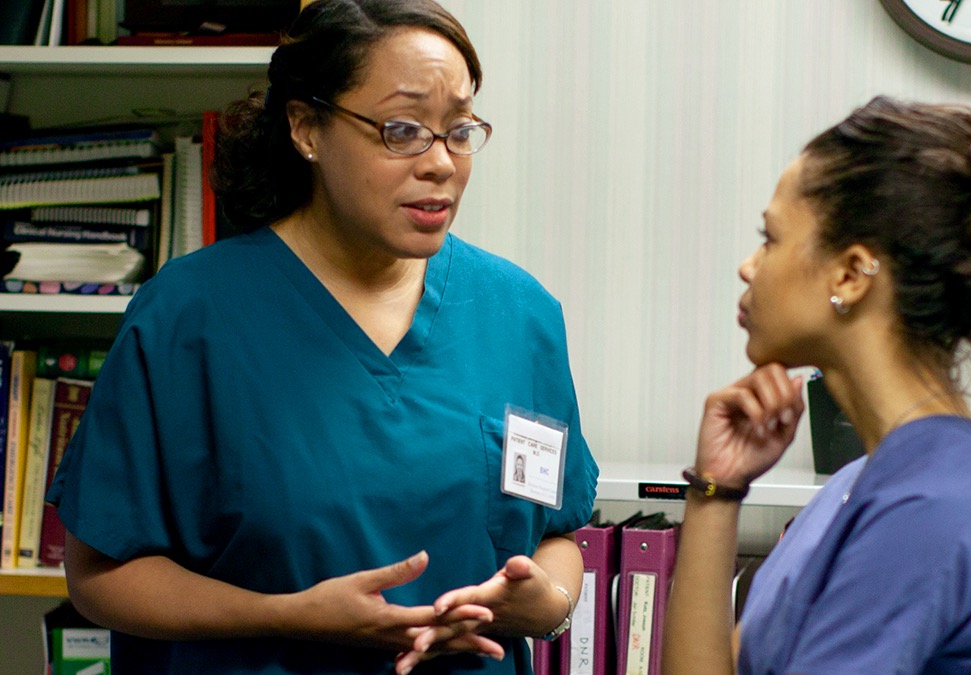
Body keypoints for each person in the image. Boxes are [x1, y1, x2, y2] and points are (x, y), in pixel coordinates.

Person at [45, 1, 598, 674]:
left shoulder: (519, 314)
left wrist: (546, 604)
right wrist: (289, 615)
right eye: (402, 130)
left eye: (458, 130)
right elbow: (99, 575)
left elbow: (557, 534)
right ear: (307, 128)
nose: (441, 163)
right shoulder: (189, 316)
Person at [662, 96, 971, 674]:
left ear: (851, 274)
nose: (748, 266)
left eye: (770, 237)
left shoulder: (932, 505)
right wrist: (716, 491)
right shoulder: (860, 485)